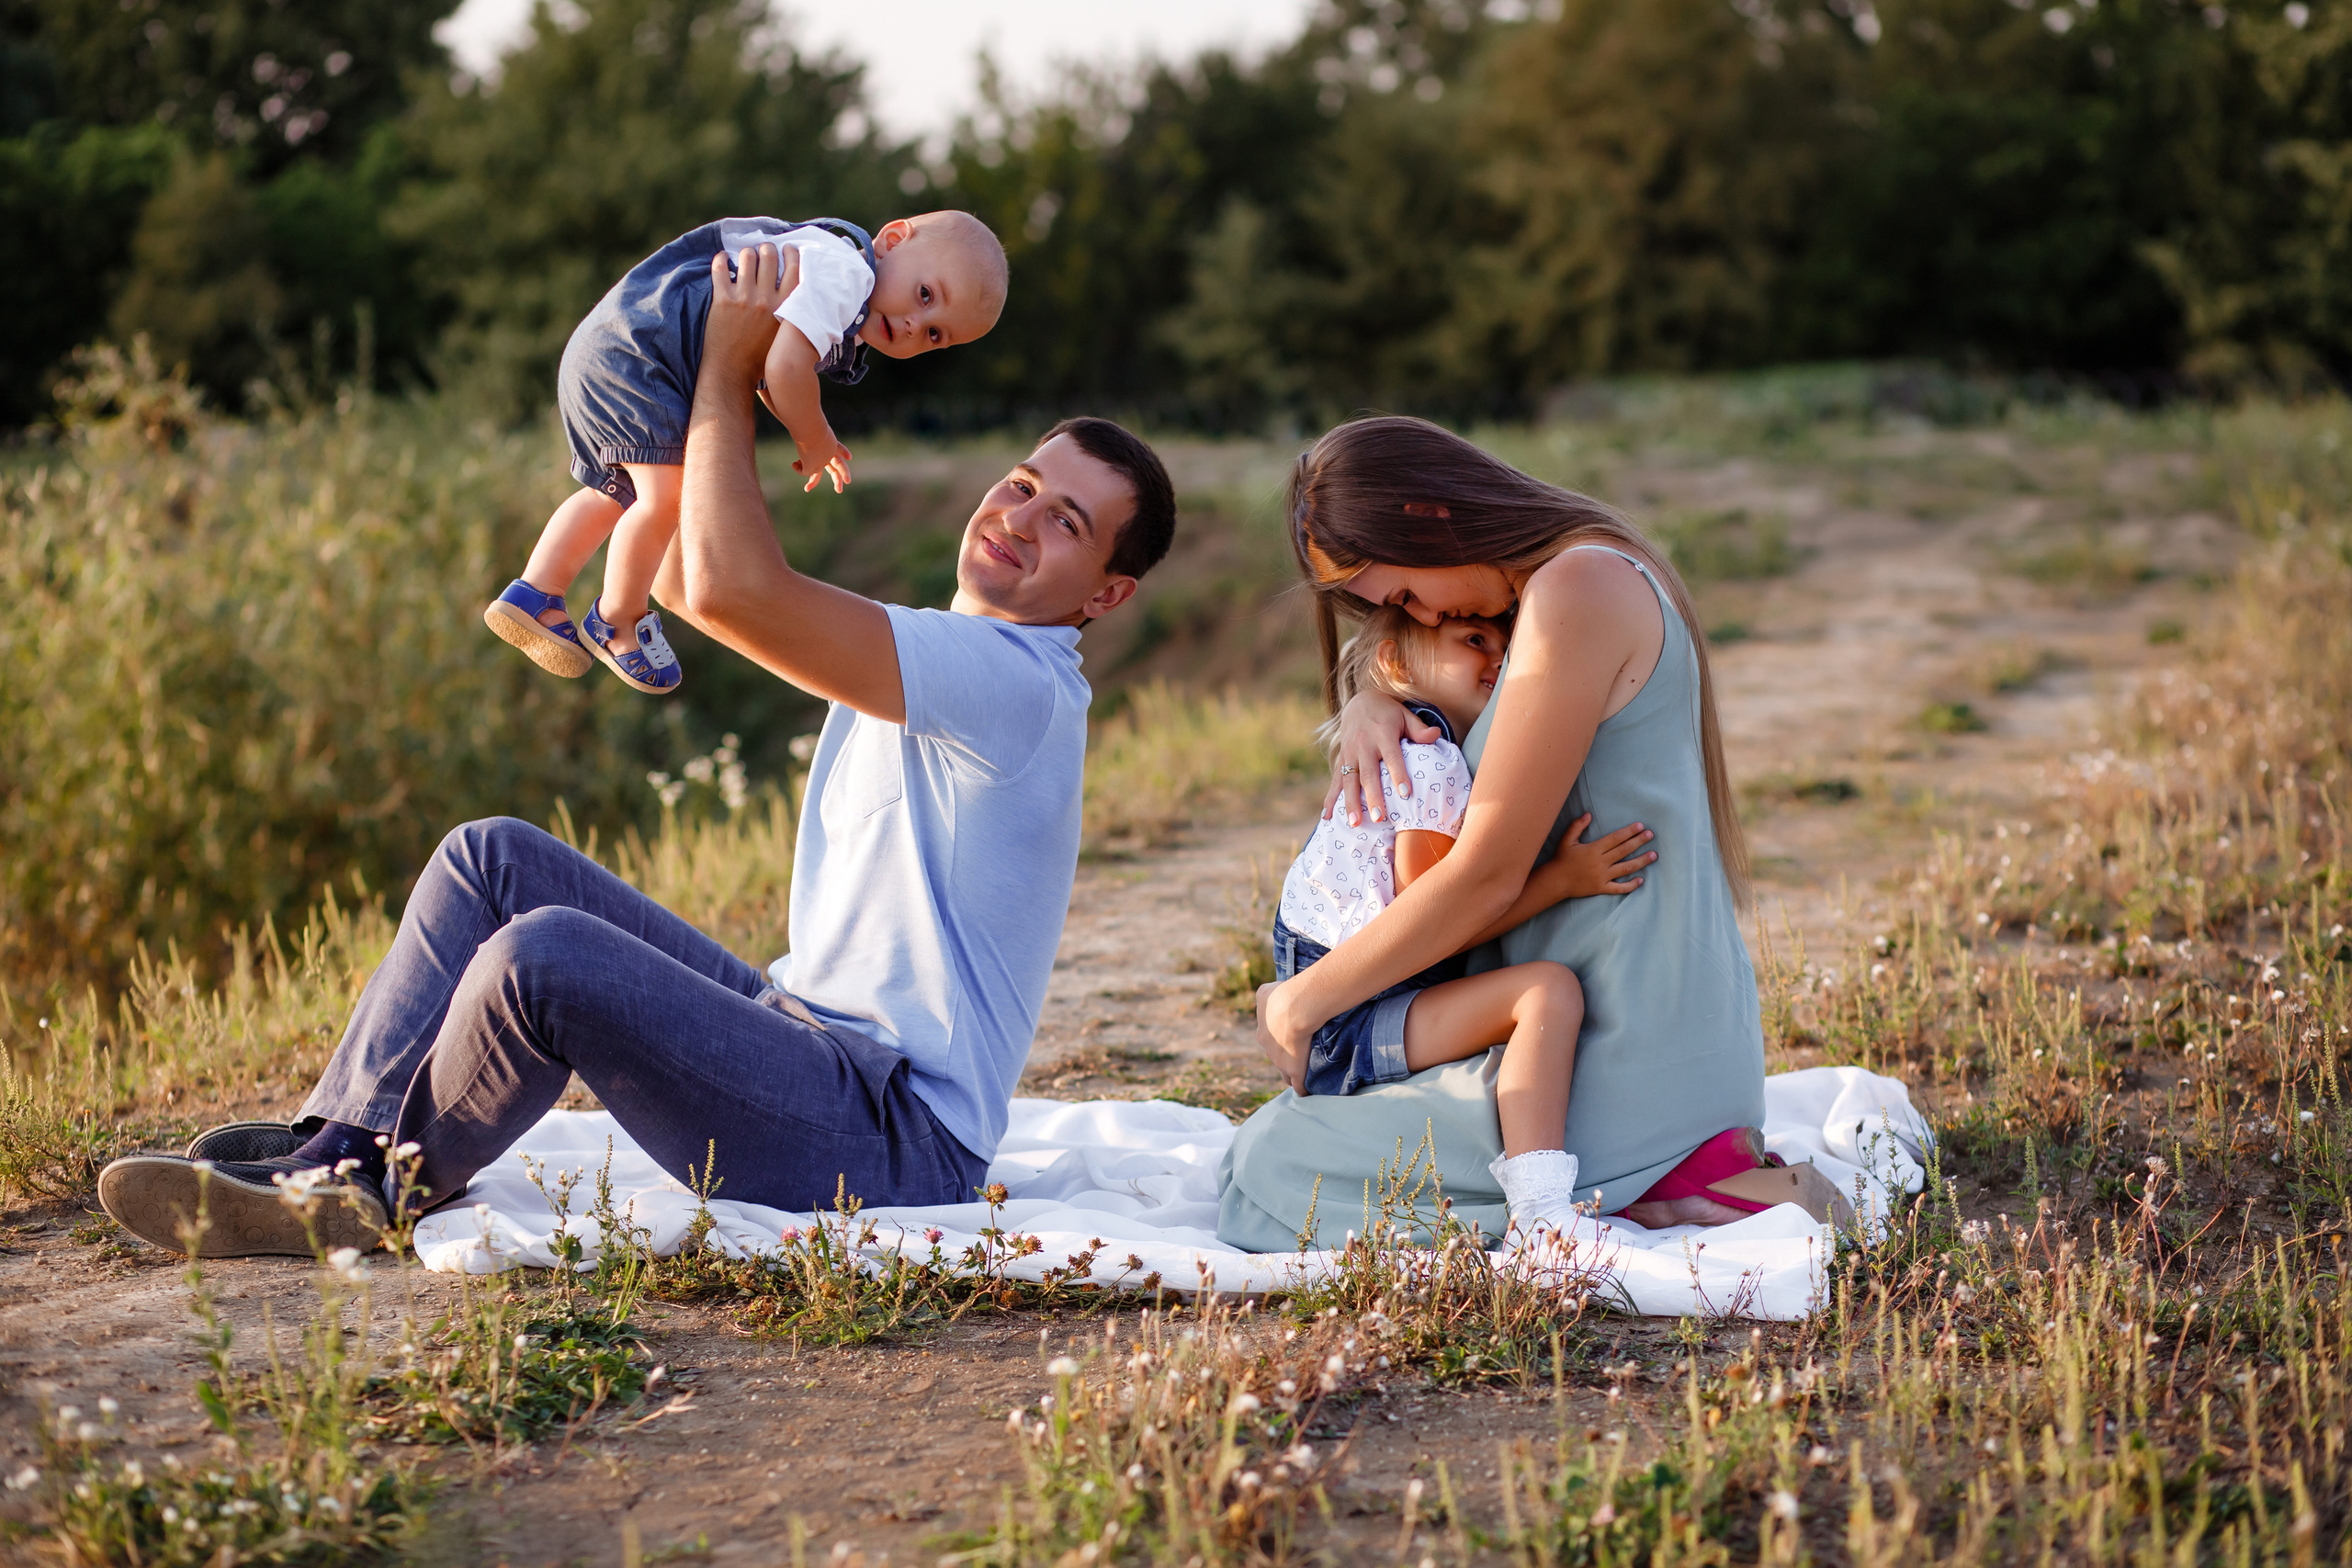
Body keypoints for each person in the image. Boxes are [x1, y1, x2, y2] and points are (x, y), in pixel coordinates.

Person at [97, 242, 1174, 1260]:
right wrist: (675, 408)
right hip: (803, 1032)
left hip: (891, 1137)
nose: (1021, 516)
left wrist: (724, 362)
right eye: (1025, 484)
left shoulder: (1011, 682)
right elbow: (685, 576)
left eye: (1068, 523)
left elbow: (728, 591)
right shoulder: (945, 649)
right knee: (492, 859)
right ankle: (335, 1140)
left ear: (1107, 593)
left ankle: (377, 1194)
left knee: (547, 958)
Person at [1218, 414, 1782, 1252]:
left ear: (1428, 515)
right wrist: (1381, 698)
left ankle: (1657, 1180)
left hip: (1625, 1042)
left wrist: (1304, 999)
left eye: (1406, 595)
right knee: (1279, 1142)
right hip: (1640, 1027)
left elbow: (1483, 874)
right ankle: (1662, 1173)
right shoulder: (1561, 597)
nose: (1415, 614)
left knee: (1268, 1168)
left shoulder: (1577, 590)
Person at [484, 210, 1009, 695]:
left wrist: (789, 406)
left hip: (615, 343)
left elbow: (767, 370)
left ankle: (536, 592)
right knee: (665, 499)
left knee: (615, 494)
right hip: (647, 354)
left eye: (936, 333)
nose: (919, 325)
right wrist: (814, 435)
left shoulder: (824, 262)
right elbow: (784, 371)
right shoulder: (848, 275)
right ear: (893, 240)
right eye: (924, 294)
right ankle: (617, 618)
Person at [1261, 604, 1658, 1238]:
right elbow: (1435, 918)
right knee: (1547, 992)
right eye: (1474, 640)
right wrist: (1561, 880)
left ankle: (1282, 997)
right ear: (1394, 661)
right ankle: (1540, 1211)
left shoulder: (1415, 746)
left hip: (1332, 975)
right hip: (1353, 1003)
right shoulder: (1429, 758)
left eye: (1505, 645)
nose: (1497, 658)